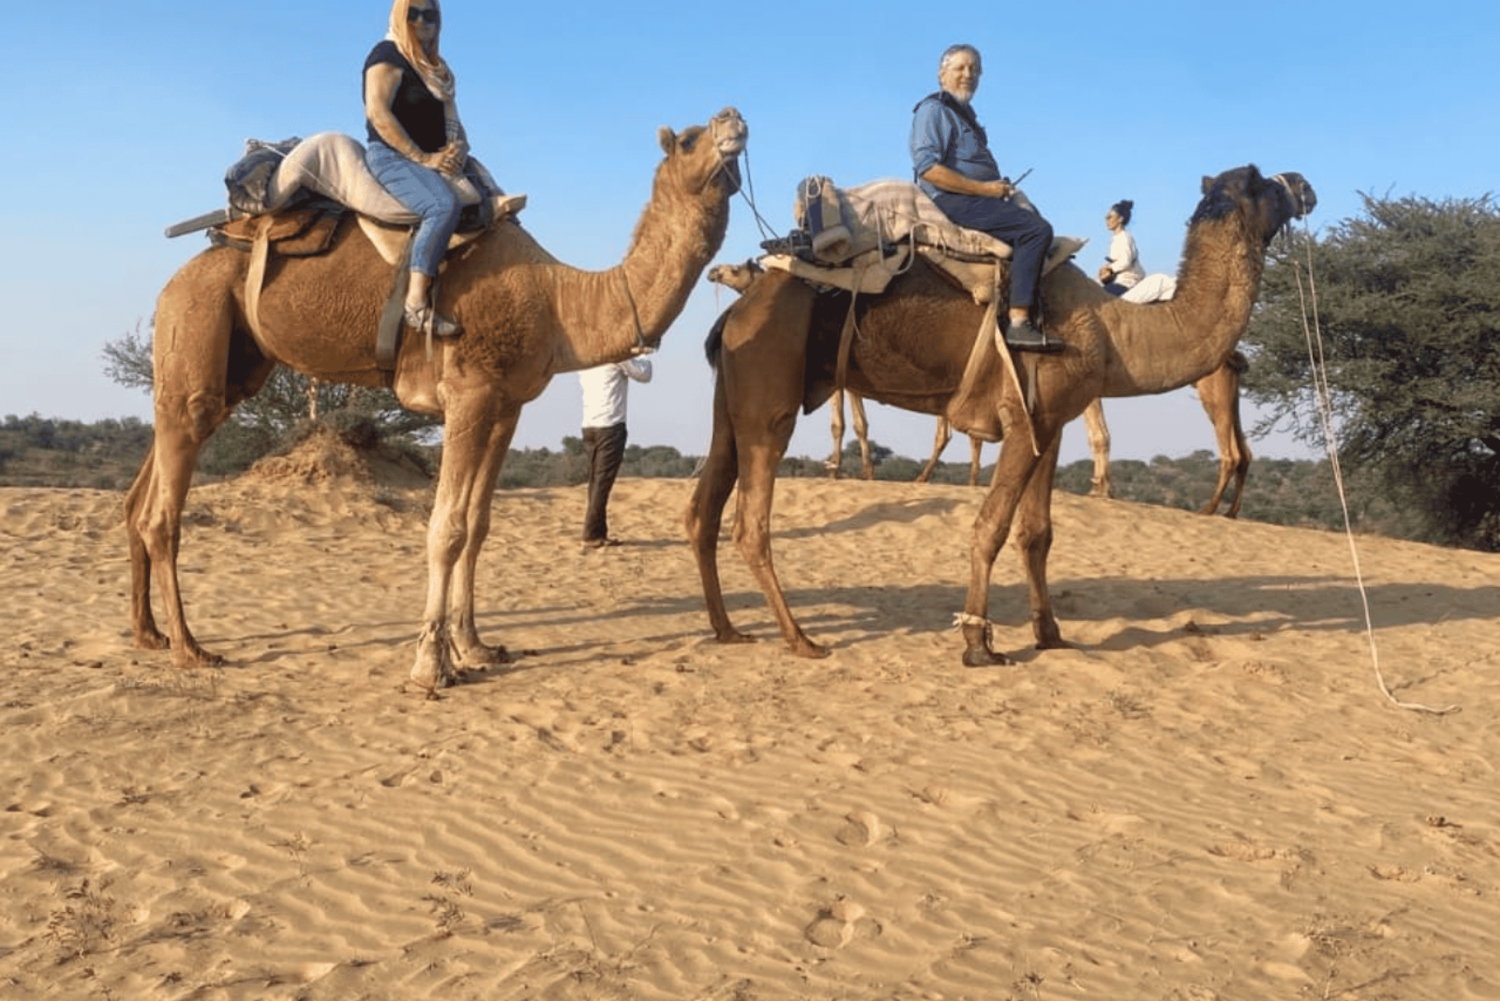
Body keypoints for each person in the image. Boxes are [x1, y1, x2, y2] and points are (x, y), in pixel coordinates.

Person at [910, 44, 1063, 352]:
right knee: (1036, 231)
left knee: (1040, 227)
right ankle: (1019, 322)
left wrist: (997, 188)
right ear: (943, 74)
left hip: (977, 197)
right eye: (960, 68)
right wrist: (985, 190)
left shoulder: (966, 117)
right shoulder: (934, 110)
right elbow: (928, 169)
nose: (968, 75)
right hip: (952, 200)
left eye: (974, 70)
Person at [363, 0, 469, 338]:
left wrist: (458, 150)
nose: (422, 21)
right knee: (441, 205)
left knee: (492, 201)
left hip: (436, 157)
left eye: (431, 14)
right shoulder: (388, 56)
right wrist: (423, 158)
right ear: (399, 16)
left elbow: (454, 125)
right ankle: (415, 303)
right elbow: (378, 113)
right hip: (394, 157)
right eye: (414, 13)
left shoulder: (438, 69)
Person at [579, 358, 653, 549]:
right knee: (602, 483)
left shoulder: (586, 361)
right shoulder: (617, 357)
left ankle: (599, 531)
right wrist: (641, 355)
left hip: (589, 426)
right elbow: (644, 375)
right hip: (610, 426)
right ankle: (591, 534)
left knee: (595, 481)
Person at [1098, 200, 1146, 295]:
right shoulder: (1116, 239)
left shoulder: (1124, 238)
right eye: (1106, 217)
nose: (1106, 220)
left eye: (1110, 217)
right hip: (1119, 280)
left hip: (1128, 282)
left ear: (1120, 219)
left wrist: (1110, 268)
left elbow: (1125, 261)